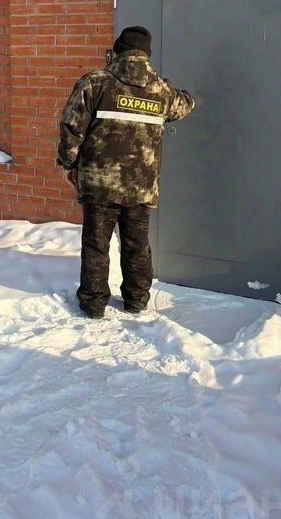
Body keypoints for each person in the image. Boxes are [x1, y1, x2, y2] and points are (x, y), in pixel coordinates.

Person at [57, 25, 195, 319]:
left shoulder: (95, 82)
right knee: (137, 244)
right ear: (146, 55)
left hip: (99, 184)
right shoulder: (161, 90)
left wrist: (69, 163)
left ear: (117, 51)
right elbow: (184, 105)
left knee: (96, 245)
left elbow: (71, 128)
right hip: (140, 185)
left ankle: (94, 304)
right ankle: (136, 300)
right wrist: (172, 87)